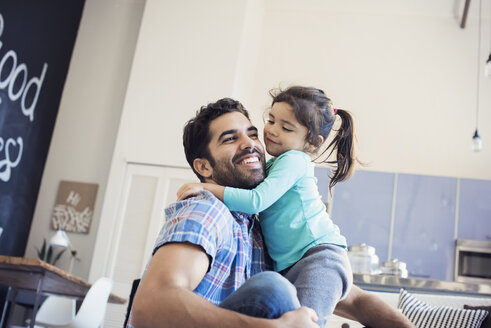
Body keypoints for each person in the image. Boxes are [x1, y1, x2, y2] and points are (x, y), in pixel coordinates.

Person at [129, 97, 415, 328]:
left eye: (252, 134)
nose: (251, 144)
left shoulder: (260, 228)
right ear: (203, 168)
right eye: (230, 139)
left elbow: (353, 300)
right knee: (273, 290)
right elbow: (150, 306)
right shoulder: (206, 209)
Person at [177, 86, 353, 326]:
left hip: (318, 257)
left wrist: (208, 188)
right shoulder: (276, 164)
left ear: (312, 142)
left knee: (306, 323)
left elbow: (256, 201)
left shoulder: (294, 160)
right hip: (296, 262)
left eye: (286, 127)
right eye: (271, 120)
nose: (271, 130)